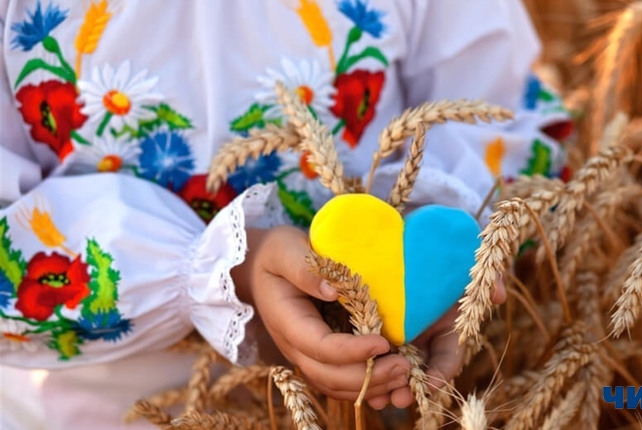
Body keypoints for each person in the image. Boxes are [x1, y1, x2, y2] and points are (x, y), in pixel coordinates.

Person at [0, 0, 572, 428]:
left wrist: (443, 245)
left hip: (393, 400)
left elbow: (503, 113)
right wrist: (230, 273)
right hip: (103, 413)